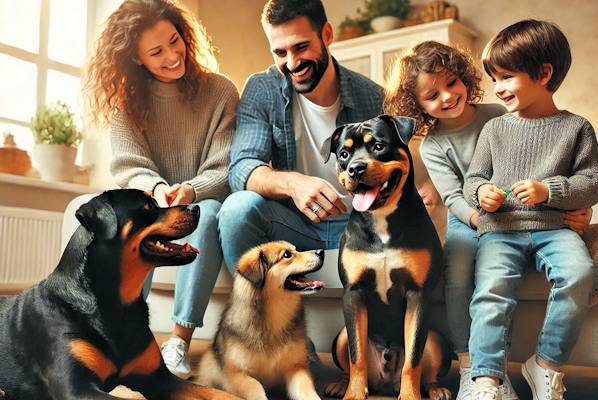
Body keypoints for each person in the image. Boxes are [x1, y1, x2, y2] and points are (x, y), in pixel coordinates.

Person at [384, 40, 593, 400]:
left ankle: (518, 367)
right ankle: (472, 367)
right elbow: (453, 196)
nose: (448, 97)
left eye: (452, 83)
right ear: (417, 106)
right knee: (459, 268)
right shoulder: (434, 145)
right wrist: (481, 218)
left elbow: (551, 166)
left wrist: (576, 205)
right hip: (471, 218)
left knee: (567, 269)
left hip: (523, 213)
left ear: (465, 78)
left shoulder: (501, 113)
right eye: (432, 95)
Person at [84, 0, 239, 380]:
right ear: (135, 59)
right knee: (132, 219)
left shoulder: (220, 92)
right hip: (153, 201)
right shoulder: (126, 104)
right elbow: (128, 164)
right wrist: (156, 189)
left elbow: (224, 165)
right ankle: (120, 337)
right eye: (157, 52)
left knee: (205, 217)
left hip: (203, 202)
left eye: (174, 41)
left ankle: (179, 343)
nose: (173, 56)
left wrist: (190, 190)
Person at [463, 20, 598, 400]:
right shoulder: (494, 130)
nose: (498, 87)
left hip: (555, 229)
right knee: (490, 290)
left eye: (507, 77)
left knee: (579, 274)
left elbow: (593, 182)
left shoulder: (577, 128)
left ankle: (546, 366)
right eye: (495, 78)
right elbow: (473, 179)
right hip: (500, 230)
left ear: (544, 73)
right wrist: (482, 193)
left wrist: (549, 190)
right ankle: (486, 380)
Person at [217, 0, 383, 271]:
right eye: (280, 52)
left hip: (360, 227)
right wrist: (295, 184)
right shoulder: (262, 89)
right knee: (237, 209)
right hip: (294, 227)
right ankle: (253, 310)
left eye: (301, 47)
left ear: (326, 35)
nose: (292, 63)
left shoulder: (373, 97)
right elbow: (242, 168)